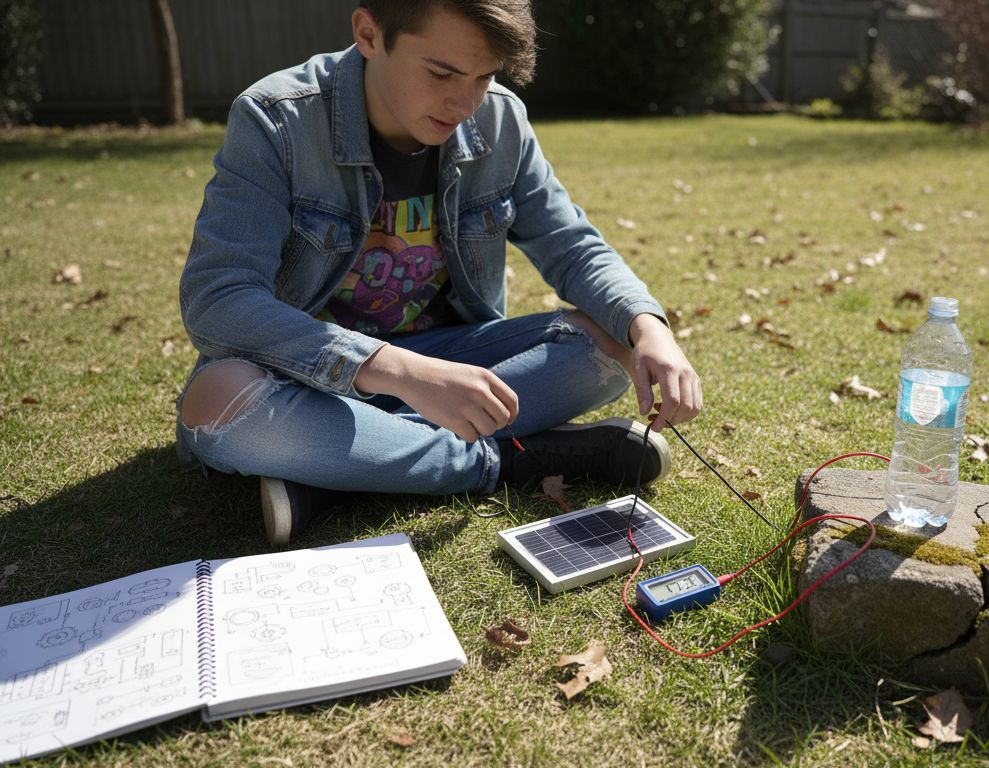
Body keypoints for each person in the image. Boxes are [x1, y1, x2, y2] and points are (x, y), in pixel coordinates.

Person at [175, 0, 701, 547]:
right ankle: (501, 462)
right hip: (303, 373)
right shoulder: (276, 119)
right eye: (441, 73)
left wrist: (648, 327)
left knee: (613, 342)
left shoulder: (501, 120)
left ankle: (348, 466)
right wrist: (400, 373)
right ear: (369, 34)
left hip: (451, 360)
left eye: (484, 77)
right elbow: (219, 300)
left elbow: (571, 245)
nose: (464, 102)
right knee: (217, 400)